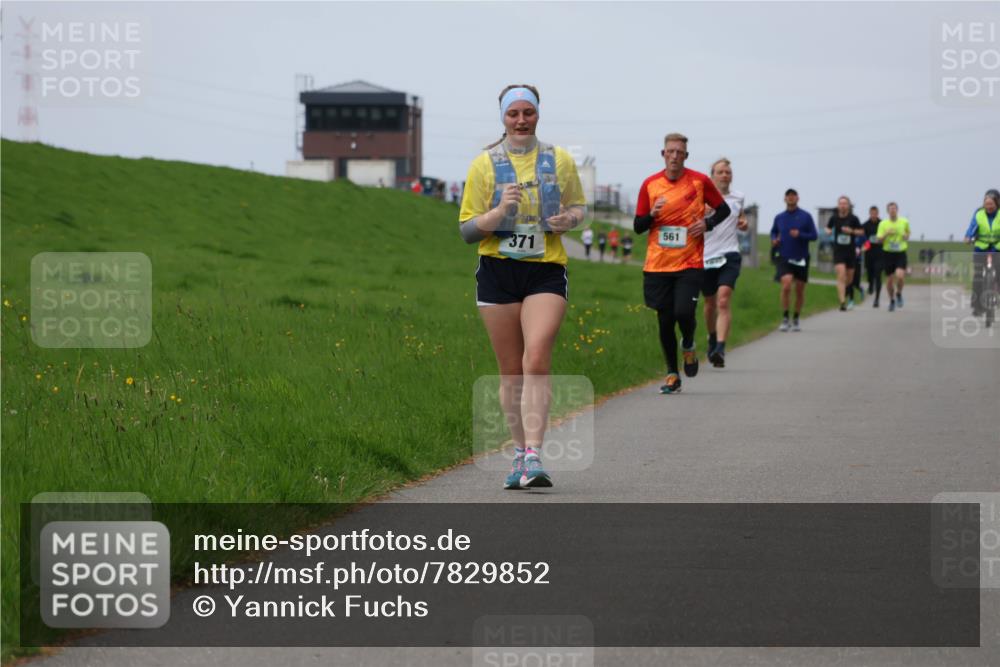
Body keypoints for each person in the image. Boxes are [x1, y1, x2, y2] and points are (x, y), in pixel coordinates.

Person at [457, 84, 586, 490]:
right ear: (503, 117)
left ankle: (534, 453)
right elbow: (466, 230)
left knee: (537, 359)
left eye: (527, 112)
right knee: (511, 371)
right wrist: (498, 211)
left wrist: (569, 220)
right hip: (497, 269)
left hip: (545, 269)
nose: (521, 120)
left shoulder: (559, 160)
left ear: (538, 114)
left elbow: (579, 207)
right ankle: (518, 454)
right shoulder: (484, 165)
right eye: (513, 113)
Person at [634, 133, 730, 394]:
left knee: (683, 313)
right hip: (657, 265)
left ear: (686, 156)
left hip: (689, 262)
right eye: (670, 151)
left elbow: (724, 210)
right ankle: (672, 374)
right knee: (665, 321)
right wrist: (652, 215)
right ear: (663, 154)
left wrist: (707, 223)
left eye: (680, 152)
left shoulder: (699, 181)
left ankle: (688, 343)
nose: (675, 156)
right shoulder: (650, 185)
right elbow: (638, 226)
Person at [701, 157, 747, 368]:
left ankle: (720, 348)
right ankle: (712, 338)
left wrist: (743, 223)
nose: (725, 175)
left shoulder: (738, 197)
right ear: (712, 175)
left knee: (723, 300)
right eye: (720, 172)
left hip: (730, 253)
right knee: (709, 304)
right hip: (706, 256)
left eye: (728, 172)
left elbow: (741, 218)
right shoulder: (701, 197)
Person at [771, 188, 818, 331]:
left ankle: (796, 318)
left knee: (799, 290)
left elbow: (814, 236)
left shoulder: (806, 216)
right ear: (784, 199)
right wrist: (774, 240)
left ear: (798, 198)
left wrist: (800, 234)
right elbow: (774, 231)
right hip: (785, 256)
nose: (791, 198)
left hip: (802, 257)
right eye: (788, 196)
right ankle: (785, 318)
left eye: (793, 196)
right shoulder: (779, 217)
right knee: (786, 285)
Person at [964, 189, 1000, 317]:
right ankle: (977, 306)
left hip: (997, 249)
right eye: (987, 203)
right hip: (981, 250)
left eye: (992, 204)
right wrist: (968, 237)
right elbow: (972, 228)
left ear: (997, 203)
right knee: (978, 278)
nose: (989, 206)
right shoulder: (979, 214)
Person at [826, 196, 864, 311]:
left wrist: (851, 231)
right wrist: (828, 231)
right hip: (838, 251)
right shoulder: (834, 218)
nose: (842, 205)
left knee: (850, 278)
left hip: (850, 251)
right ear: (838, 205)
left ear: (848, 206)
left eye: (845, 203)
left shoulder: (854, 219)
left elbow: (861, 232)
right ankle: (842, 302)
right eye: (841, 203)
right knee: (841, 274)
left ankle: (845, 292)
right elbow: (828, 228)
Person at [877, 202, 911, 312]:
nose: (893, 211)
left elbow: (908, 234)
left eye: (894, 209)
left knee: (900, 276)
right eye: (891, 209)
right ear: (888, 211)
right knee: (890, 280)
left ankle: (899, 293)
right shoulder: (883, 224)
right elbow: (879, 240)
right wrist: (886, 233)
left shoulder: (904, 222)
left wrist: (905, 236)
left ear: (897, 210)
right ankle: (891, 300)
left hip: (900, 252)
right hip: (888, 253)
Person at [863, 206, 883, 307]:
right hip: (869, 254)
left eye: (875, 213)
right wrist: (865, 245)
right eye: (872, 213)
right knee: (870, 274)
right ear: (869, 214)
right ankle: (870, 284)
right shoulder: (865, 225)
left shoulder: (882, 224)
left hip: (880, 254)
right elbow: (863, 239)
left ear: (878, 213)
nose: (874, 215)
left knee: (878, 275)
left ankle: (877, 299)